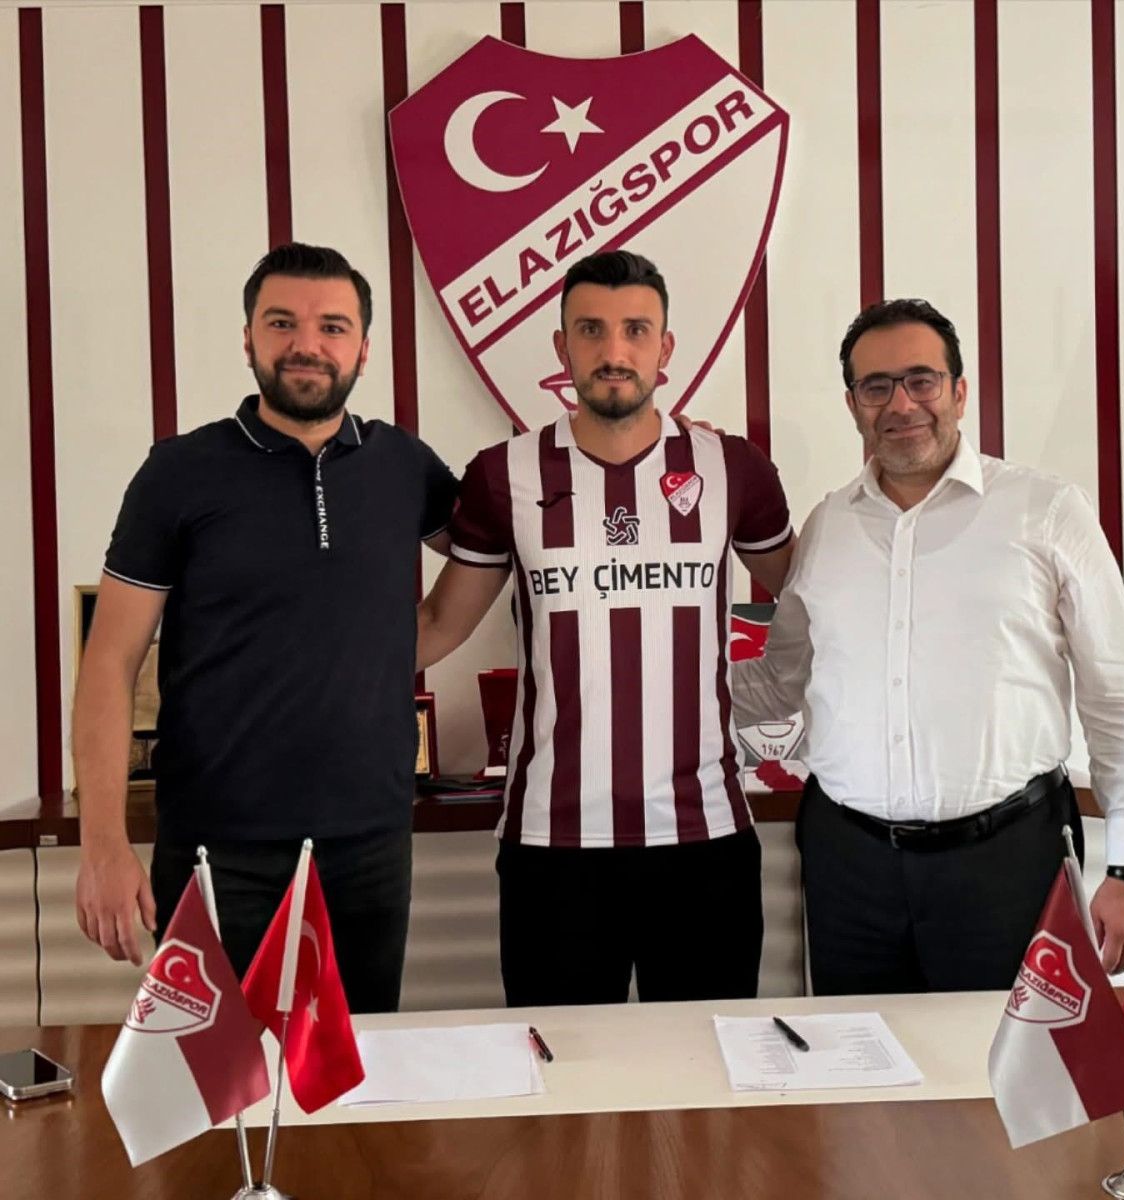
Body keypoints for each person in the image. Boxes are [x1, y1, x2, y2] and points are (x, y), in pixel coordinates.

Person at [734, 298, 1124, 995]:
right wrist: (648, 681)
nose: (901, 404)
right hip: (848, 869)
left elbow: (1119, 699)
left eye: (921, 380)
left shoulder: (1046, 511)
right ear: (853, 405)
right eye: (877, 386)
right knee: (861, 1059)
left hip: (1010, 865)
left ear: (959, 392)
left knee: (1002, 1063)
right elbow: (781, 682)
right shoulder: (826, 527)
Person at [73, 242, 457, 1012]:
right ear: (248, 338)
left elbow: (511, 541)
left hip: (370, 844)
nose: (306, 344)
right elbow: (109, 661)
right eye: (282, 323)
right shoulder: (179, 472)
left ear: (364, 348)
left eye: (332, 326)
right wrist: (104, 846)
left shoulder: (404, 467)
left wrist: (672, 448)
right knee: (213, 1077)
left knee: (354, 1072)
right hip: (216, 851)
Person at [416, 250, 795, 1006]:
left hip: (704, 840)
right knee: (563, 1073)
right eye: (591, 330)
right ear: (562, 348)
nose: (613, 351)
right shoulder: (503, 474)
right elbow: (437, 625)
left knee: (704, 1070)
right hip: (552, 846)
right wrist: (297, 678)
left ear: (665, 347)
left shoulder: (733, 468)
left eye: (635, 330)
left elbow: (816, 600)